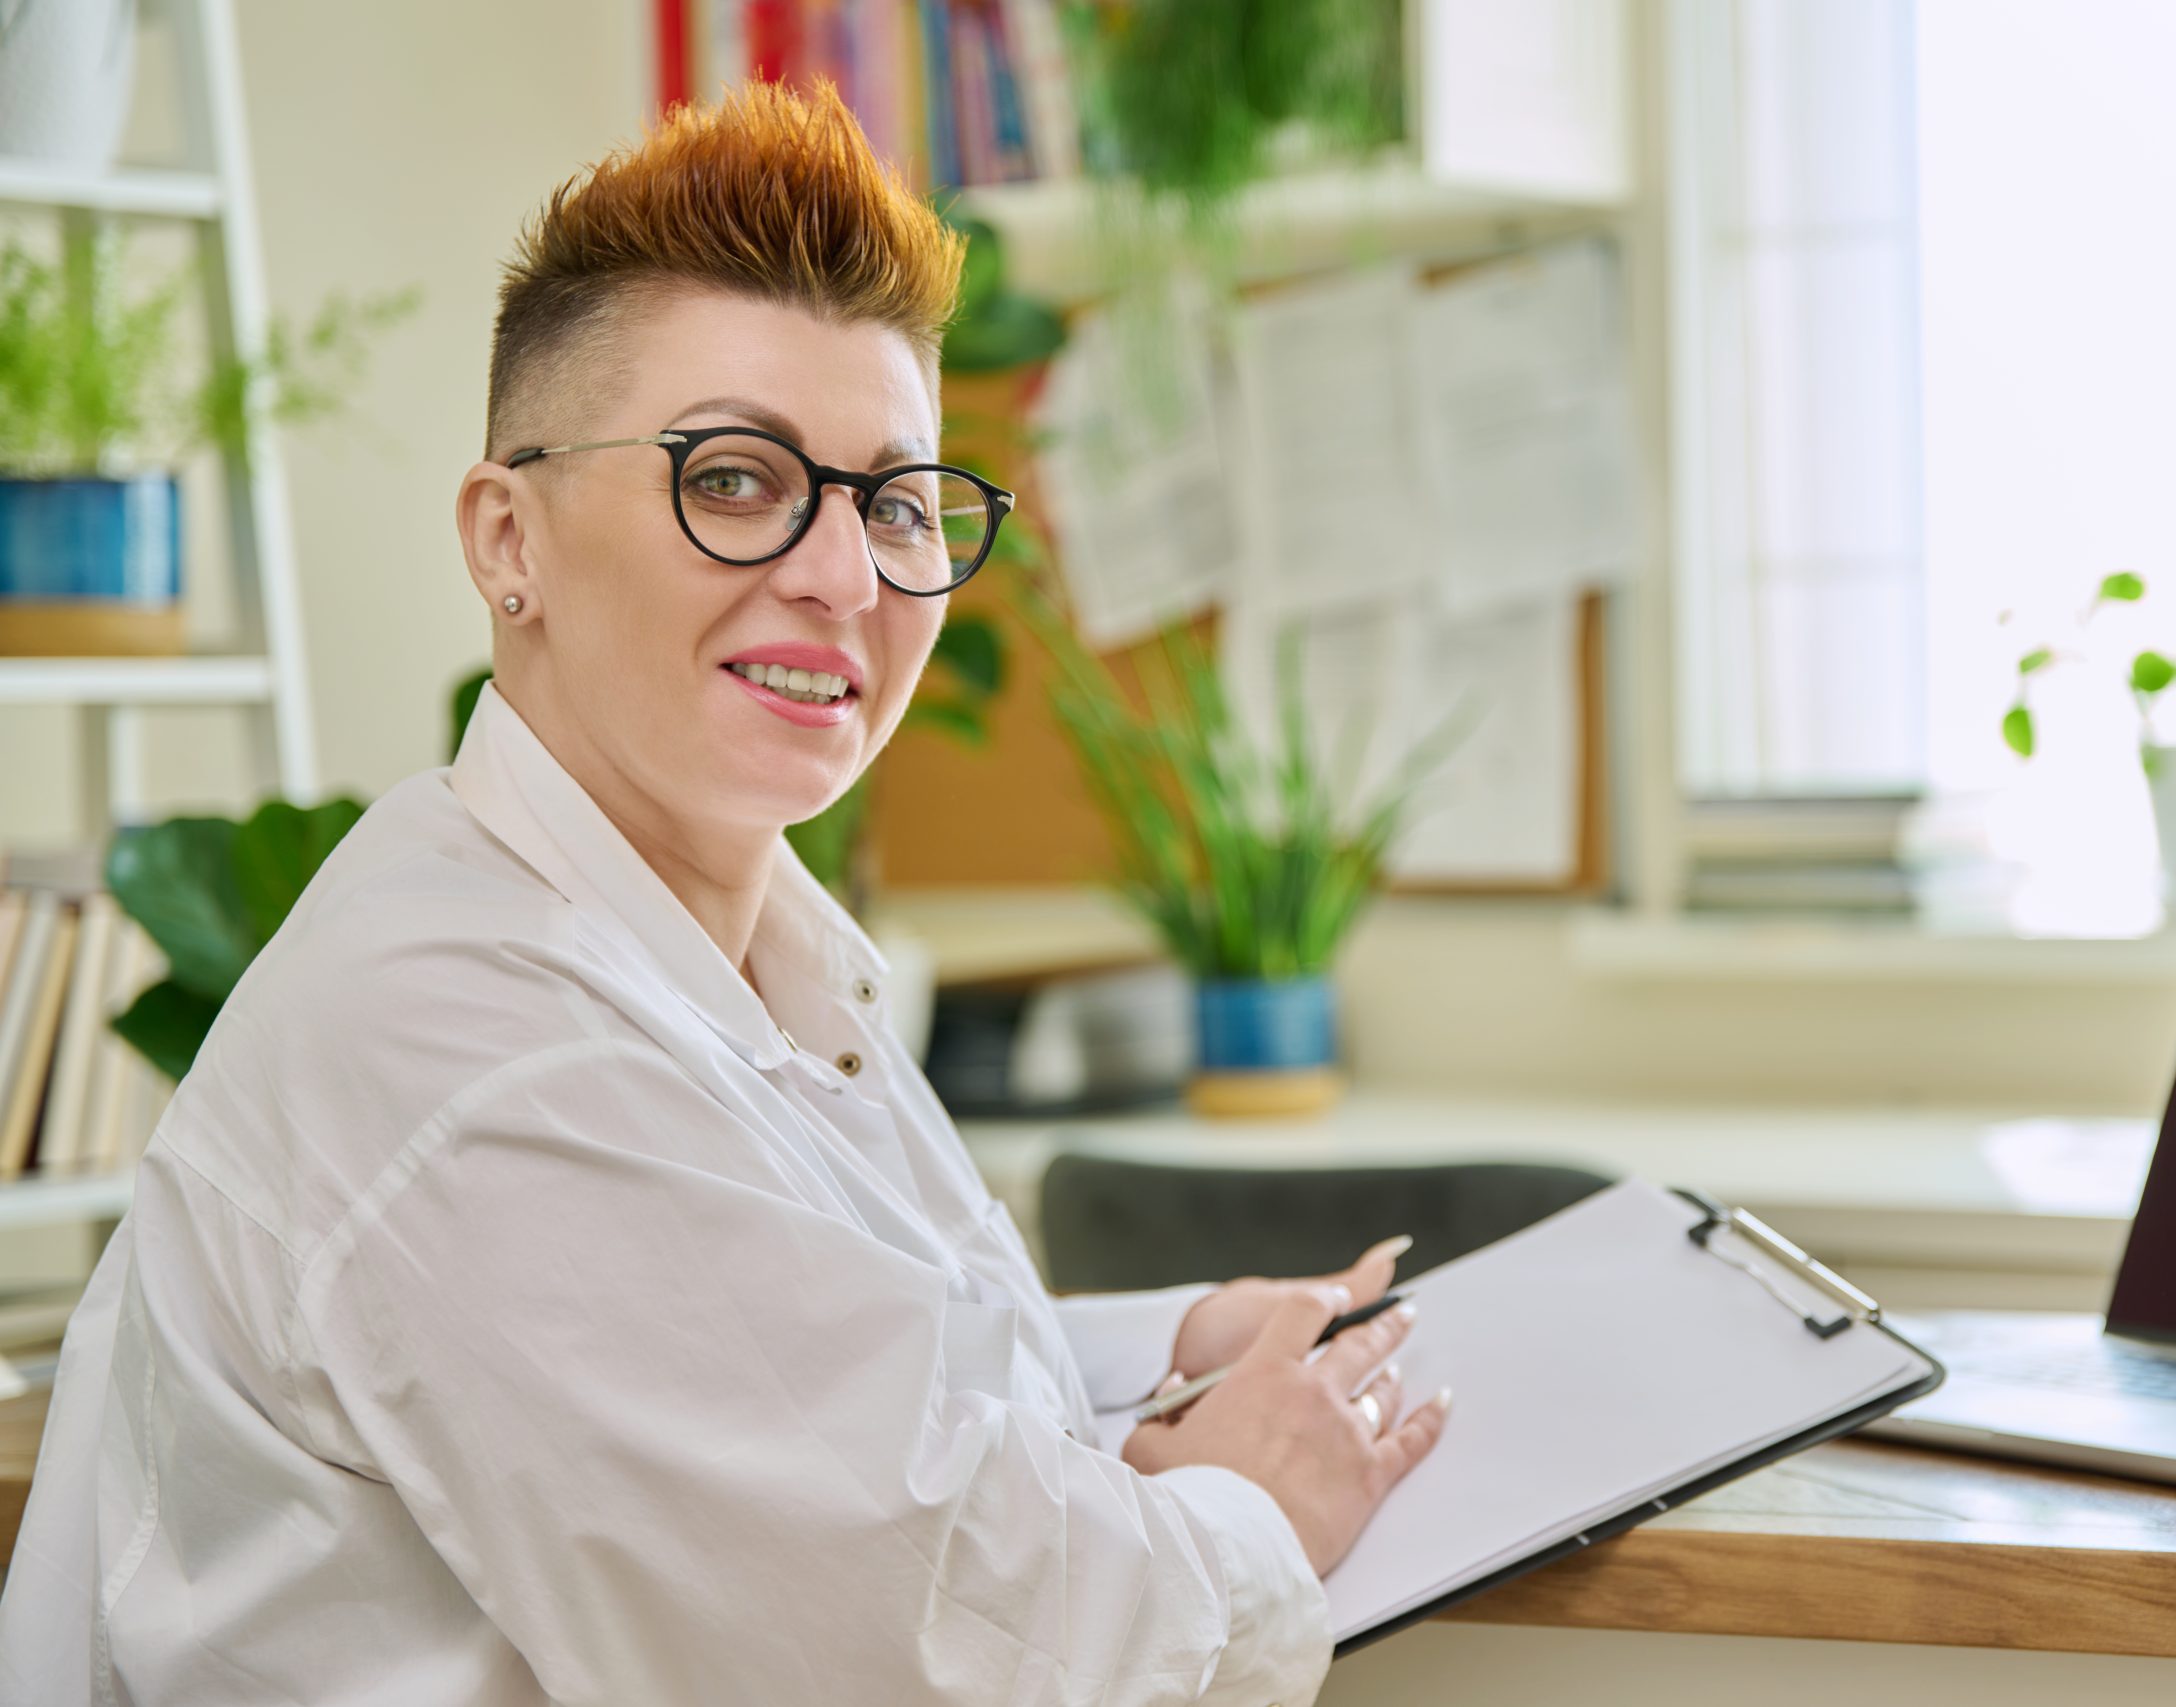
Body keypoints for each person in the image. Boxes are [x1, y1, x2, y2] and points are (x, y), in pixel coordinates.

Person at [0, 79, 1449, 1705]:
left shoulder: (727, 950)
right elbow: (914, 1645)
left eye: (897, 503)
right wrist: (1256, 1500)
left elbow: (829, 1389)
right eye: (738, 478)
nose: (843, 577)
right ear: (508, 543)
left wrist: (1168, 1361)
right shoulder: (471, 1034)